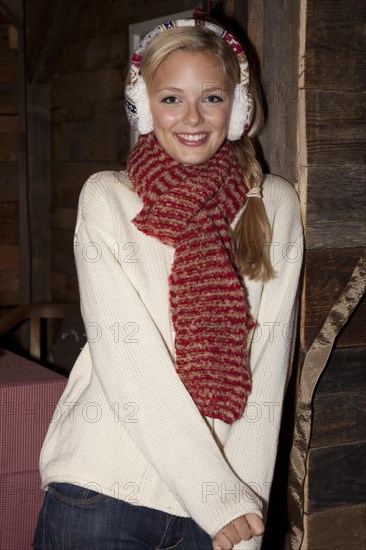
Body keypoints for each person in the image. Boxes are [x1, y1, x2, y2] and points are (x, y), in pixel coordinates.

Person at [33, 18, 303, 550]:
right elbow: (127, 360)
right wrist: (221, 501)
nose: (193, 118)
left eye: (213, 97)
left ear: (240, 108)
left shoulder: (275, 204)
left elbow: (269, 370)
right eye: (172, 98)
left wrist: (244, 508)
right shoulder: (108, 197)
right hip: (102, 492)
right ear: (143, 105)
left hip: (221, 510)